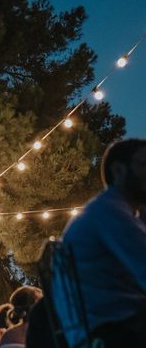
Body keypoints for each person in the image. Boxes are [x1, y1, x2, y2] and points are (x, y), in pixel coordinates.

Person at [61, 138, 146, 347]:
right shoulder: (109, 212)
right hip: (116, 333)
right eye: (144, 165)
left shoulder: (109, 210)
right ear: (119, 171)